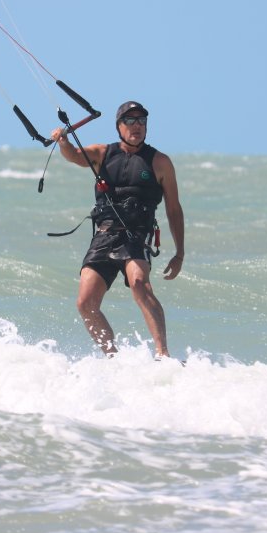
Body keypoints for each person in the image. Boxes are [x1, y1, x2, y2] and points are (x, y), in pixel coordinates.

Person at [51, 101, 185, 359]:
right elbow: (75, 156)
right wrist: (63, 142)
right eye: (130, 121)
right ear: (119, 126)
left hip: (136, 235)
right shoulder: (103, 153)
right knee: (85, 303)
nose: (137, 125)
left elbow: (174, 209)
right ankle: (114, 360)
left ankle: (163, 355)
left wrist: (179, 253)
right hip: (104, 235)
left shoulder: (160, 162)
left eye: (141, 120)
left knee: (139, 284)